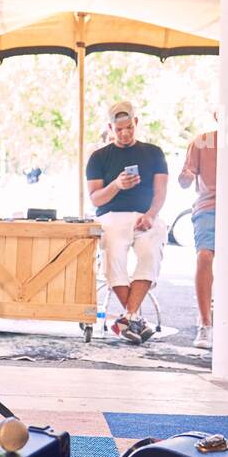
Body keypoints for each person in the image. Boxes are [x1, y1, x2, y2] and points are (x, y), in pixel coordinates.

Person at [84, 100, 169, 344]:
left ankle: (127, 318)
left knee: (151, 249)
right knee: (114, 254)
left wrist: (151, 214)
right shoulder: (99, 157)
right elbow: (95, 197)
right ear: (110, 128)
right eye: (118, 129)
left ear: (136, 123)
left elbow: (161, 191)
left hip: (145, 215)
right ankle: (132, 317)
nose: (124, 133)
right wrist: (117, 185)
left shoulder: (154, 152)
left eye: (128, 127)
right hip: (111, 215)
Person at [178, 123, 217, 350]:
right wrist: (187, 177)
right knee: (204, 256)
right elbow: (185, 180)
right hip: (208, 207)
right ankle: (205, 323)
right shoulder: (201, 141)